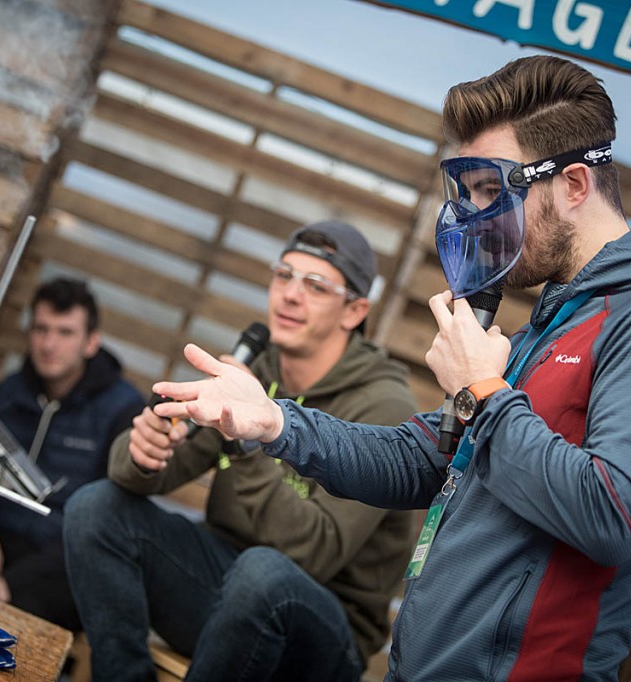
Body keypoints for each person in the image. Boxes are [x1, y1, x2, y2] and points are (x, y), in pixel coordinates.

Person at [149, 56, 631, 681]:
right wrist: (274, 424)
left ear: (574, 186)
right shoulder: (554, 319)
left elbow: (612, 514)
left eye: (493, 191)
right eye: (468, 193)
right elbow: (422, 460)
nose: (478, 218)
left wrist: (483, 390)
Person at [63, 221, 417, 681]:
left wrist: (250, 442)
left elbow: (313, 553)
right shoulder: (258, 369)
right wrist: (143, 452)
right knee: (94, 509)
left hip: (317, 637)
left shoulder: (381, 404)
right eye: (283, 275)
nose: (290, 294)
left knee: (262, 574)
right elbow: (136, 477)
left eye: (315, 285)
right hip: (224, 591)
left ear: (354, 311)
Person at [0, 277, 143, 631]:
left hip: (61, 560)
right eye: (41, 329)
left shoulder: (122, 409)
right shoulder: (8, 393)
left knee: (28, 611)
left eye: (64, 332)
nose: (49, 344)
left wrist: (10, 584)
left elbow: (107, 520)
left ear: (90, 342)